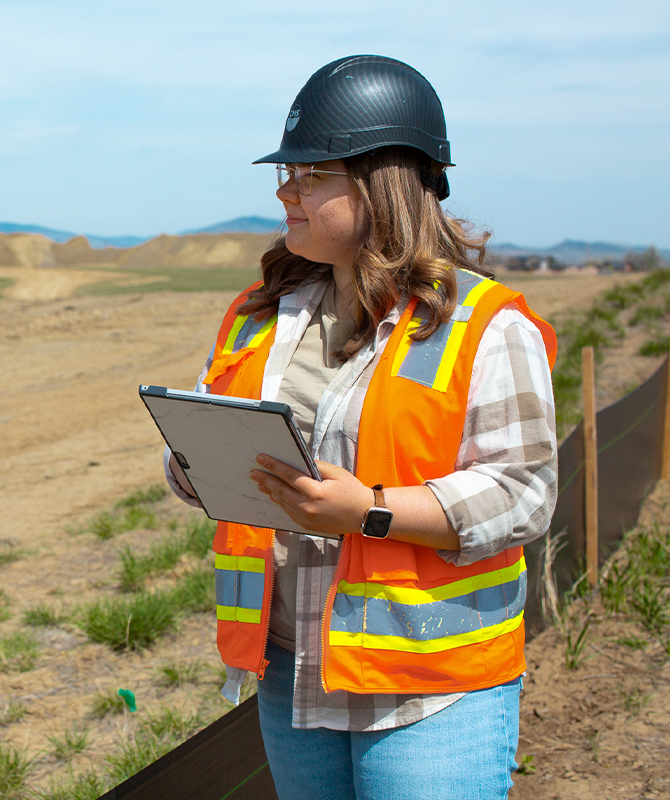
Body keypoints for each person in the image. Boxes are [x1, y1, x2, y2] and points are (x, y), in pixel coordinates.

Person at [165, 55, 557, 800]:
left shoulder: (485, 325)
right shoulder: (256, 314)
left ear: (384, 184)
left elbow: (523, 493)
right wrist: (191, 465)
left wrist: (369, 511)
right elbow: (202, 438)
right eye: (285, 172)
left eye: (311, 173)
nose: (285, 189)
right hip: (289, 666)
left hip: (429, 690)